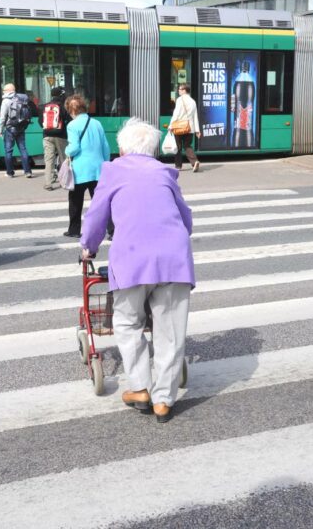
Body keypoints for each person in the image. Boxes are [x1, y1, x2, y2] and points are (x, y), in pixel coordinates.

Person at [80, 118, 194, 423]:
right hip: (173, 259)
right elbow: (186, 218)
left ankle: (141, 388)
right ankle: (164, 400)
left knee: (128, 322)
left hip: (131, 258)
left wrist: (88, 246)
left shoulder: (113, 170)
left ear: (123, 147)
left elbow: (96, 216)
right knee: (169, 330)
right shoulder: (165, 172)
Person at [63, 94, 110, 238]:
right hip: (98, 169)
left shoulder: (72, 125)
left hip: (80, 170)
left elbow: (74, 147)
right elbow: (105, 146)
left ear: (71, 111)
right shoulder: (96, 123)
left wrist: (66, 151)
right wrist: (105, 163)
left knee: (75, 201)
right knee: (102, 202)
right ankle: (113, 230)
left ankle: (74, 230)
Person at [38, 87, 72, 191]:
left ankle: (48, 183)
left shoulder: (44, 106)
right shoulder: (62, 107)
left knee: (49, 160)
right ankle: (64, 182)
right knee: (63, 159)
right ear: (61, 95)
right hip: (60, 136)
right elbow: (69, 119)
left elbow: (40, 122)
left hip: (47, 135)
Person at [0, 83, 32, 178]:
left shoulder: (6, 101)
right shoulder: (22, 99)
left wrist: (0, 130)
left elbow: (2, 118)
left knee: (8, 151)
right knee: (23, 149)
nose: (3, 92)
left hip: (10, 129)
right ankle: (27, 172)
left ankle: (10, 172)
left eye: (4, 90)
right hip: (21, 128)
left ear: (9, 91)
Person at [169, 83, 201, 172]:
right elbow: (195, 116)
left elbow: (176, 114)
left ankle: (178, 166)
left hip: (179, 127)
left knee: (178, 147)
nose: (178, 90)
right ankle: (195, 162)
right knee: (187, 146)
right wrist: (197, 130)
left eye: (180, 89)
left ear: (184, 90)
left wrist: (170, 125)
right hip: (190, 128)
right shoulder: (193, 101)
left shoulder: (179, 100)